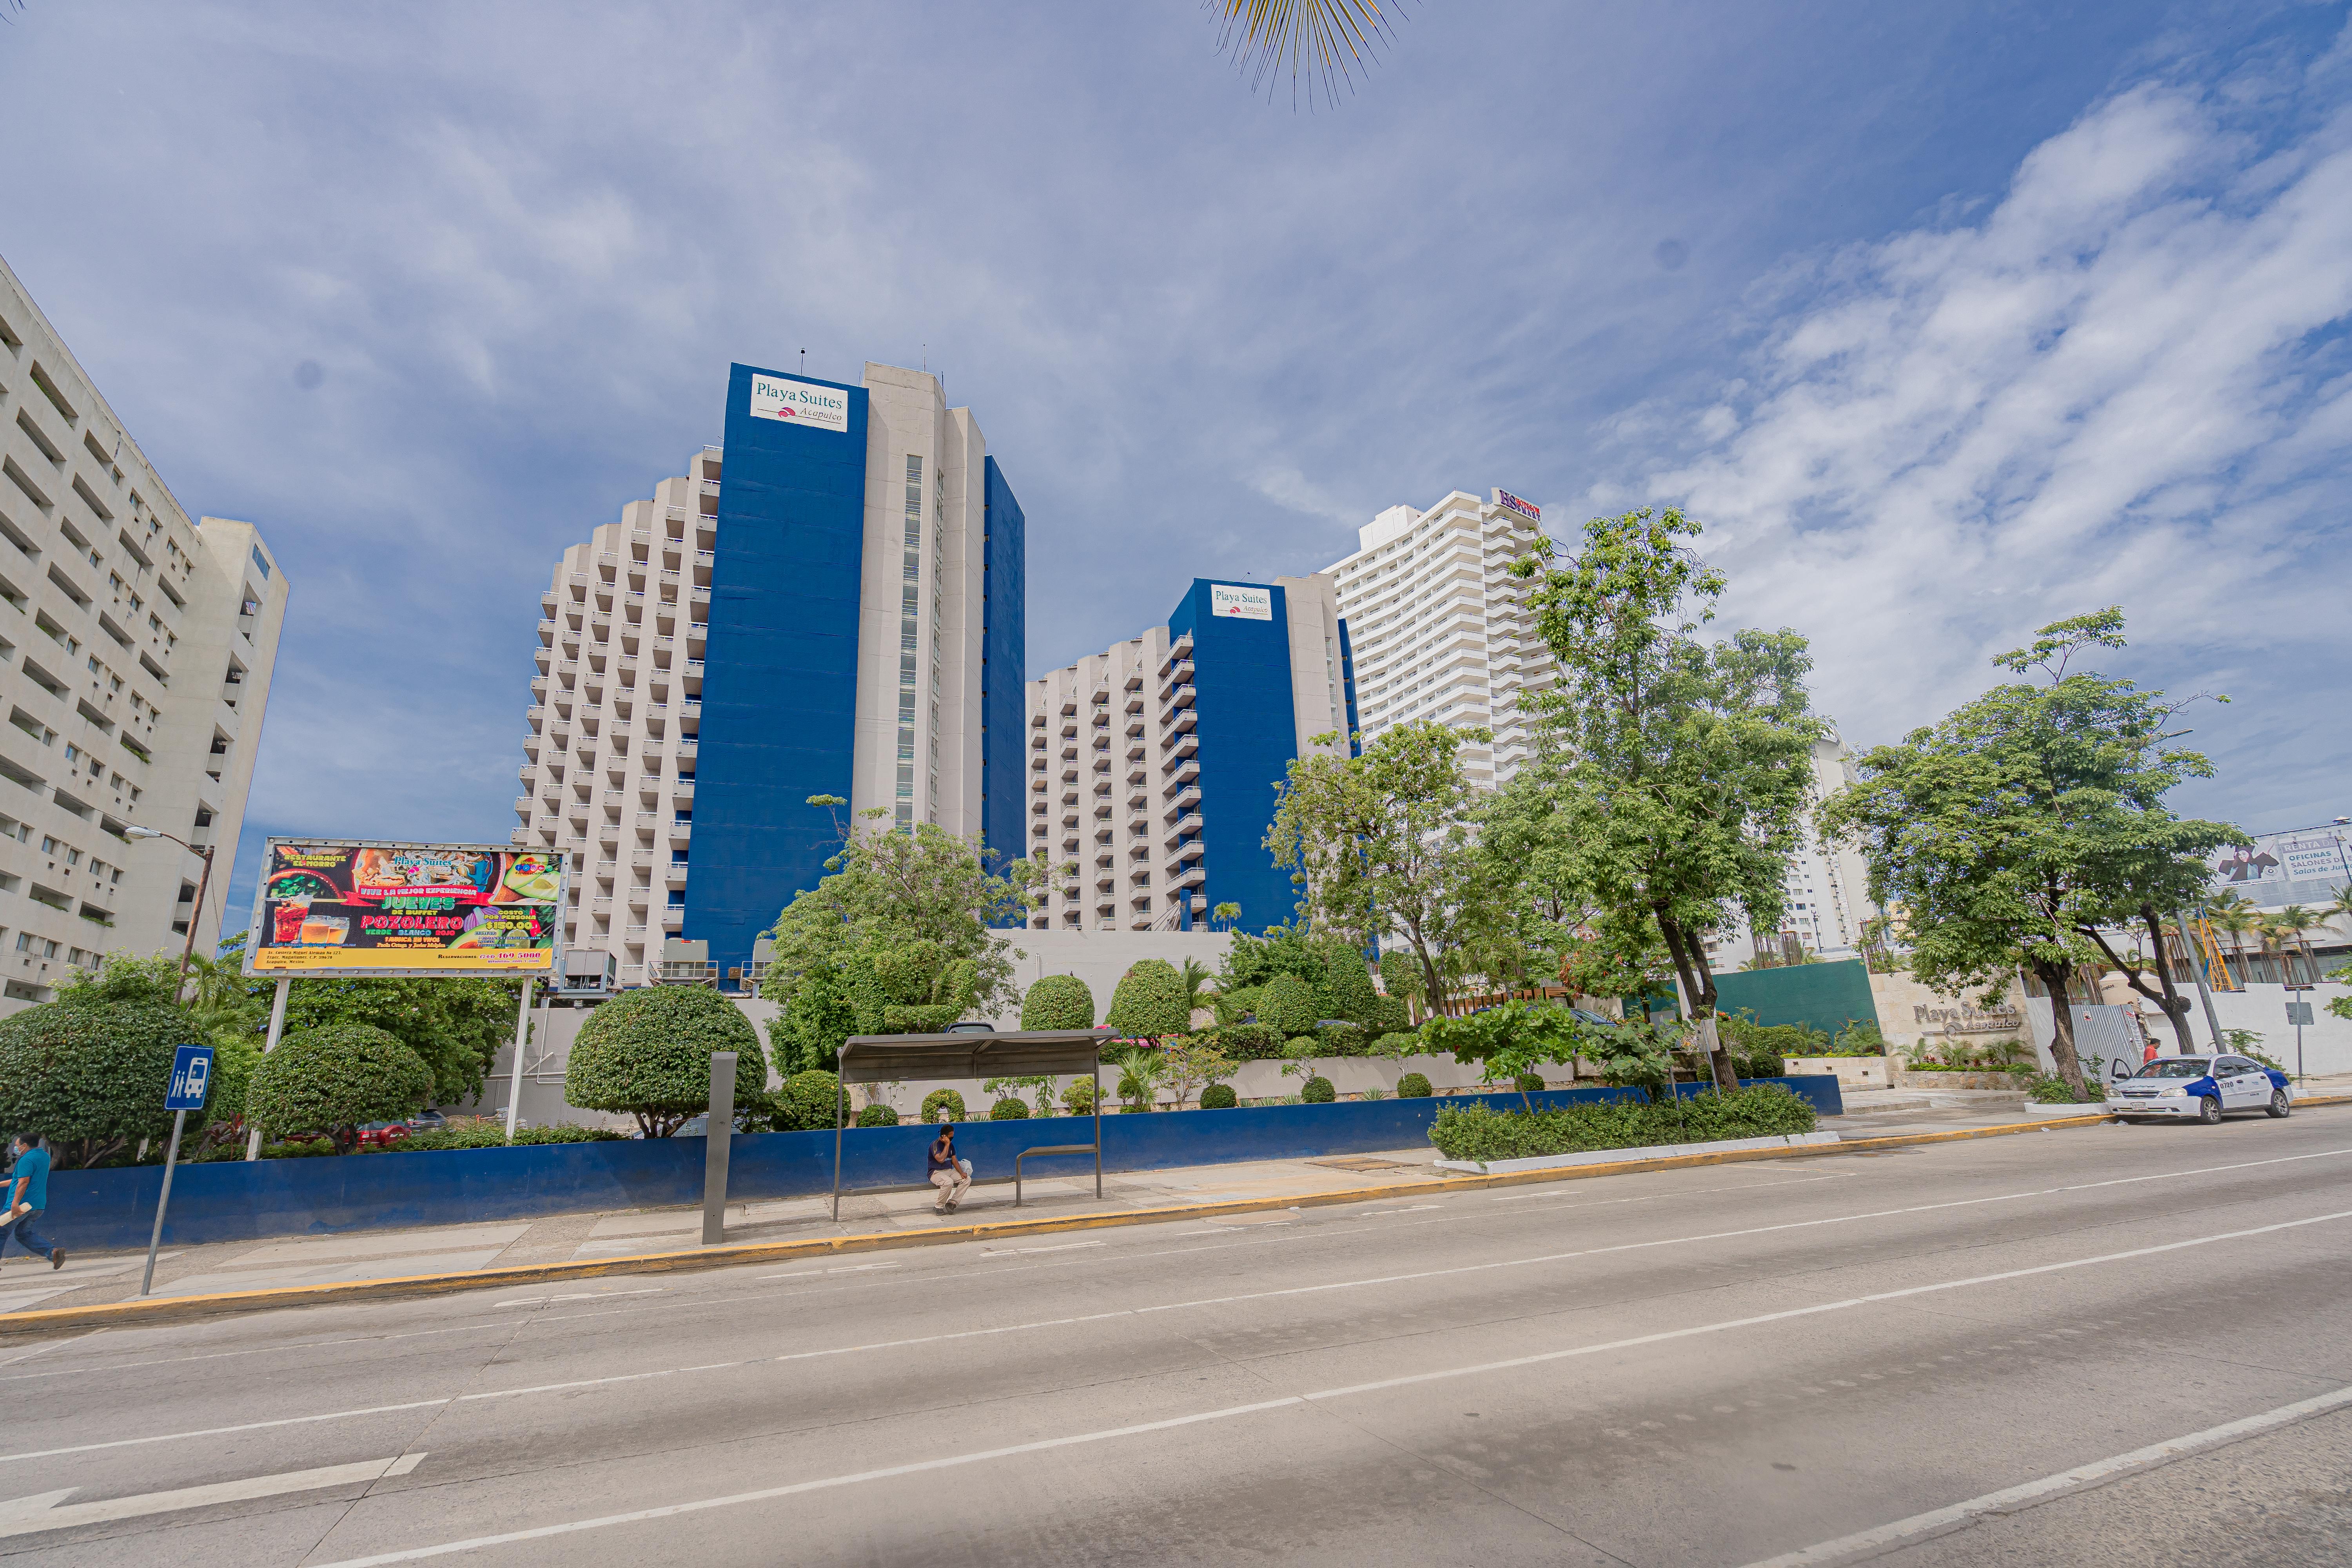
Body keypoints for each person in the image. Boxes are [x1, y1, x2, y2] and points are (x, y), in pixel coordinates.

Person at [4, 1133, 63, 1271]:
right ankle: (53, 1252)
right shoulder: (44, 1157)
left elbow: (24, 1182)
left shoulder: (26, 1160)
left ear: (25, 1146)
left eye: (17, 1146)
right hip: (38, 1206)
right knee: (23, 1234)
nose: (16, 1149)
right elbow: (20, 1180)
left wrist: (15, 1204)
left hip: (21, 1205)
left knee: (1, 1232)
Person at [927, 1123, 971, 1213]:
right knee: (948, 1182)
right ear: (944, 1136)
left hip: (949, 1171)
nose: (951, 1139)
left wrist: (962, 1173)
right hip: (936, 1172)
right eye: (950, 1137)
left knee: (967, 1180)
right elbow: (941, 1159)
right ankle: (939, 1206)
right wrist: (947, 1145)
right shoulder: (935, 1145)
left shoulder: (952, 1146)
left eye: (952, 1137)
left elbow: (954, 1160)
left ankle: (952, 1203)